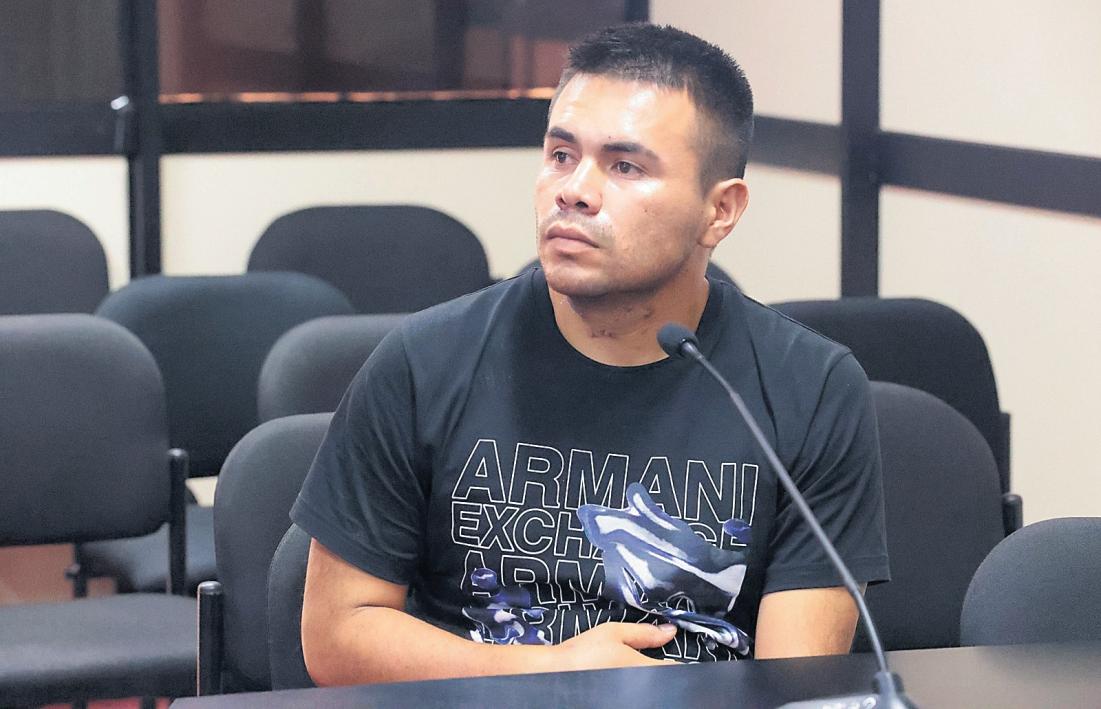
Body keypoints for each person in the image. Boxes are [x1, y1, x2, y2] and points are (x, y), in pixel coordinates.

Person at [292, 23, 889, 686]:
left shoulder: (810, 386)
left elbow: (795, 681)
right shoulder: (422, 363)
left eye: (625, 166)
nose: (573, 190)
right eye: (560, 155)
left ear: (720, 211)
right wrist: (550, 673)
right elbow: (336, 636)